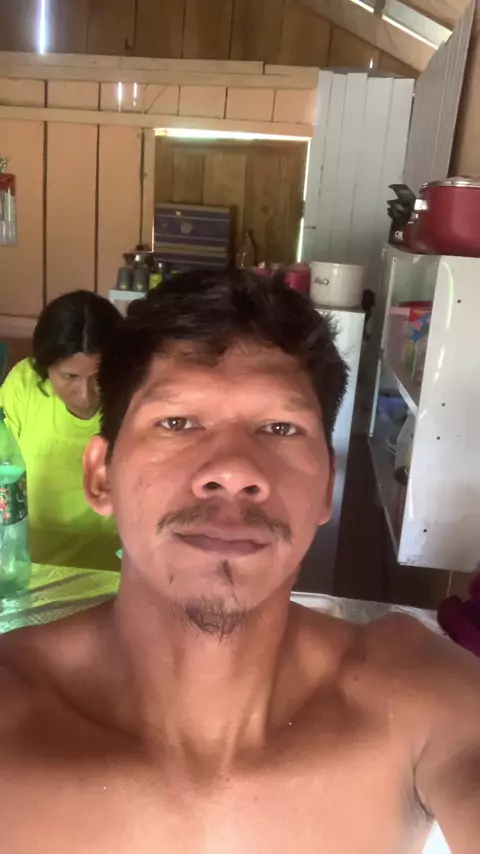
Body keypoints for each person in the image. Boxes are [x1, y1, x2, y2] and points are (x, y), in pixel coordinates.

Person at [0, 271, 479, 853]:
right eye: (177, 423)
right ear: (101, 476)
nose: (232, 470)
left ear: (326, 487)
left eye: (279, 428)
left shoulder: (417, 696)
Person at [0, 290, 120, 571]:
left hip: (113, 573)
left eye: (99, 377)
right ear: (46, 368)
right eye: (69, 376)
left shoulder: (134, 397)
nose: (85, 395)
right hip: (32, 567)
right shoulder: (25, 386)